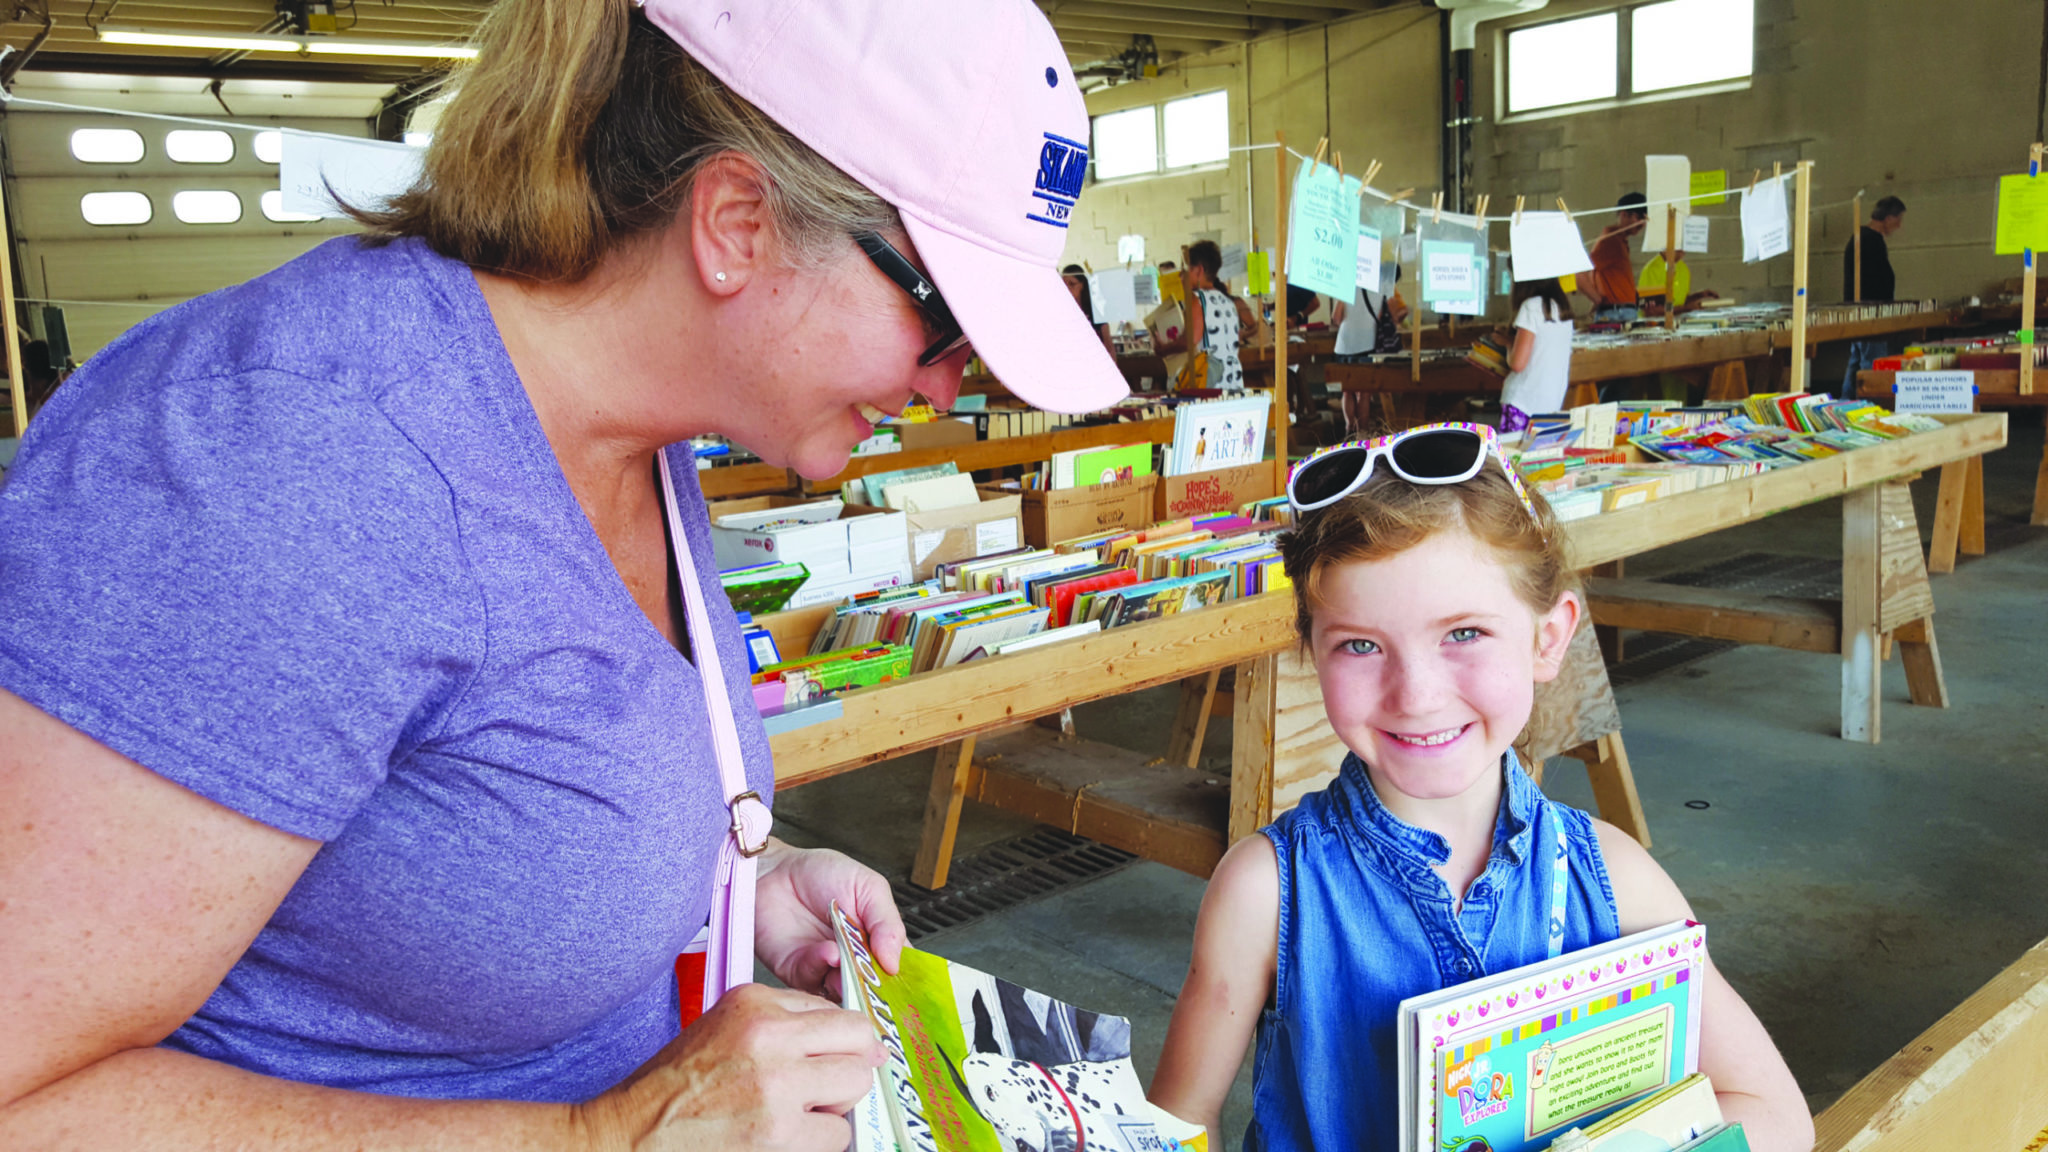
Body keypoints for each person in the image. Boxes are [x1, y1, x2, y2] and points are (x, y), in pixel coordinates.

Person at [0, 1, 1127, 1149]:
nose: (949, 387)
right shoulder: (290, 457)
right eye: (941, 320)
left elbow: (465, 816)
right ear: (736, 223)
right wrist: (606, 1138)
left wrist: (734, 878)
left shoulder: (638, 430)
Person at [1148, 427, 1813, 1152]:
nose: (1418, 695)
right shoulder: (1267, 892)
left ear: (1548, 637)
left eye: (1463, 633)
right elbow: (1179, 1123)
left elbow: (1776, 1115)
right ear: (1312, 651)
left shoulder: (1615, 881)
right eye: (1360, 645)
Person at [1329, 275, 1409, 437]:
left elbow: (1336, 318)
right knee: (1365, 392)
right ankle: (1363, 433)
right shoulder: (1381, 285)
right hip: (1369, 342)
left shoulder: (1346, 283)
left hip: (1344, 344)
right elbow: (1393, 316)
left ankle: (1349, 429)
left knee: (1347, 390)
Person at [1159, 239, 1243, 390]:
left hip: (1209, 382)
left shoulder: (1197, 298)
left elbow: (1190, 340)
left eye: (1185, 270)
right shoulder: (1228, 301)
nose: (1180, 276)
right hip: (1232, 380)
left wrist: (1163, 349)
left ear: (1198, 270)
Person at [1499, 276, 1576, 432]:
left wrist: (1507, 344)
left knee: (1512, 455)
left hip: (1523, 402)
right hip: (1551, 403)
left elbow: (1517, 364)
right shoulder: (1562, 308)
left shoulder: (1531, 307)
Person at [1581, 192, 1647, 321]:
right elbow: (1582, 271)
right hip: (1616, 312)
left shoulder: (1620, 241)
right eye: (1638, 217)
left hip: (1621, 310)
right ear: (1623, 214)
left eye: (1644, 219)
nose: (1642, 224)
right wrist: (1597, 299)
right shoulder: (1610, 241)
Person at [1844, 196, 1904, 302]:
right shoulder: (1868, 240)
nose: (1899, 225)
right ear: (1888, 218)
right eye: (1898, 219)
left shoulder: (1866, 238)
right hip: (1867, 308)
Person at [1064, 263, 1116, 353]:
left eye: (1072, 284)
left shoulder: (1096, 312)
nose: (1067, 288)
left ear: (1082, 285)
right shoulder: (1062, 312)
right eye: (1064, 285)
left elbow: (1108, 345)